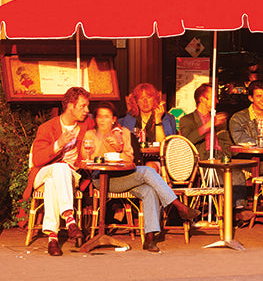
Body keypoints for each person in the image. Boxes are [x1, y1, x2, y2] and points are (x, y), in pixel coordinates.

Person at [86, 102, 201, 253]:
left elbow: (129, 159)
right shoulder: (90, 135)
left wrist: (118, 149)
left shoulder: (124, 133)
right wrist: (103, 143)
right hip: (102, 179)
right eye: (100, 116)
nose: (102, 120)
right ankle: (179, 206)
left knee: (149, 191)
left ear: (114, 119)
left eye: (106, 117)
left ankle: (150, 238)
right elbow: (86, 158)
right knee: (147, 171)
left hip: (123, 176)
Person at [25, 87, 94, 256]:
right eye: (83, 106)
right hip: (43, 172)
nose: (87, 110)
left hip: (70, 175)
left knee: (54, 181)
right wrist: (59, 144)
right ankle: (70, 219)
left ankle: (53, 238)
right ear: (70, 106)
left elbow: (109, 125)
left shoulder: (86, 125)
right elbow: (37, 160)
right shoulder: (47, 128)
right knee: (58, 168)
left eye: (87, 106)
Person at [118, 83, 178, 149]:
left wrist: (158, 120)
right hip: (134, 157)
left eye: (148, 97)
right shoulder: (128, 118)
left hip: (157, 157)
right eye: (141, 98)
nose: (145, 101)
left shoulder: (167, 118)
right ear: (136, 101)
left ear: (154, 99)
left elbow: (164, 146)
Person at [178, 83, 231, 156]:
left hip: (220, 158)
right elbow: (186, 142)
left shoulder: (218, 120)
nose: (217, 101)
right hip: (201, 160)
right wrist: (207, 126)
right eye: (214, 97)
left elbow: (227, 144)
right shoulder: (187, 120)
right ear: (202, 99)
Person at [230, 80, 263, 146]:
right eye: (259, 96)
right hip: (249, 156)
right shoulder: (237, 119)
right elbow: (242, 140)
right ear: (251, 98)